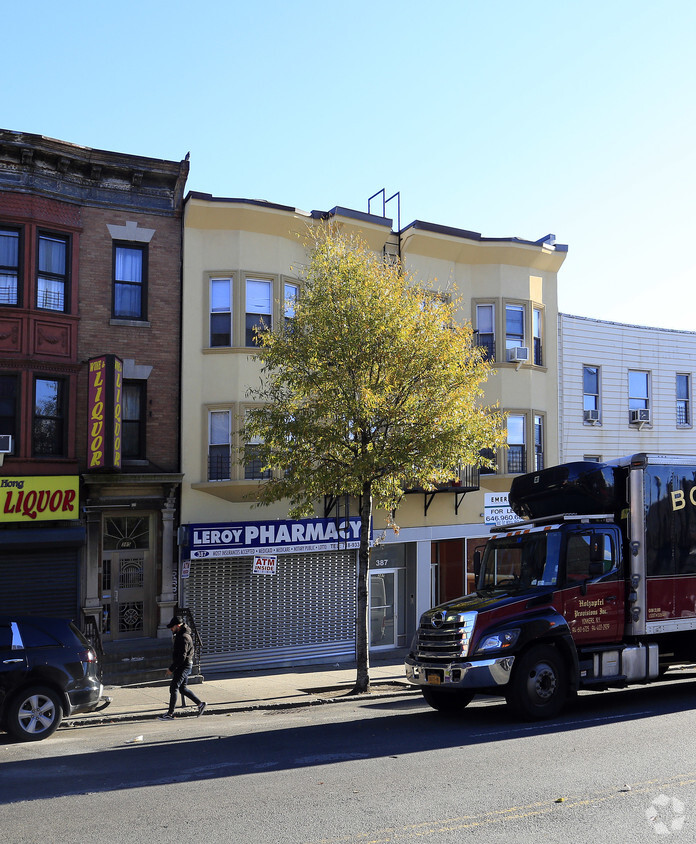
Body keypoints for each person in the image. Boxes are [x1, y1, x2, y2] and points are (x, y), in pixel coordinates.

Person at [158, 615, 206, 720]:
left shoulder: (183, 637)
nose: (171, 629)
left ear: (178, 626)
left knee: (174, 687)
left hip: (183, 665)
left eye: (172, 627)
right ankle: (200, 704)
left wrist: (171, 668)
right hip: (185, 664)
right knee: (182, 689)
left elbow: (182, 657)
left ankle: (170, 714)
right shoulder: (181, 635)